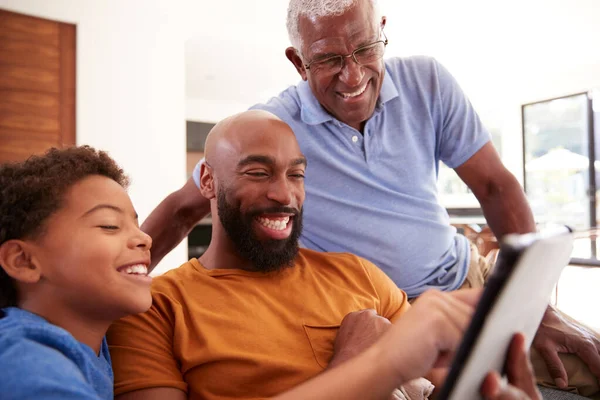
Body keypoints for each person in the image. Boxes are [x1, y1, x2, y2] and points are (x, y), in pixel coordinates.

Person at [141, 0, 600, 395]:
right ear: (299, 63)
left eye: (365, 49)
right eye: (329, 59)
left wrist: (533, 302)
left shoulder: (428, 82)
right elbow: (184, 207)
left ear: (383, 33)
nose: (353, 74)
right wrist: (114, 286)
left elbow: (496, 187)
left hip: (470, 278)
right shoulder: (271, 128)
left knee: (589, 359)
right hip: (387, 310)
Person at [107, 110, 542, 400]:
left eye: (296, 174)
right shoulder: (155, 307)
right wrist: (355, 366)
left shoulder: (359, 276)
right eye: (258, 173)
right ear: (207, 180)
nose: (284, 194)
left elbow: (441, 385)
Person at [0, 146, 154, 399]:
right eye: (109, 225)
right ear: (24, 261)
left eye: (136, 225)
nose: (145, 238)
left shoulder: (83, 333)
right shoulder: (28, 363)